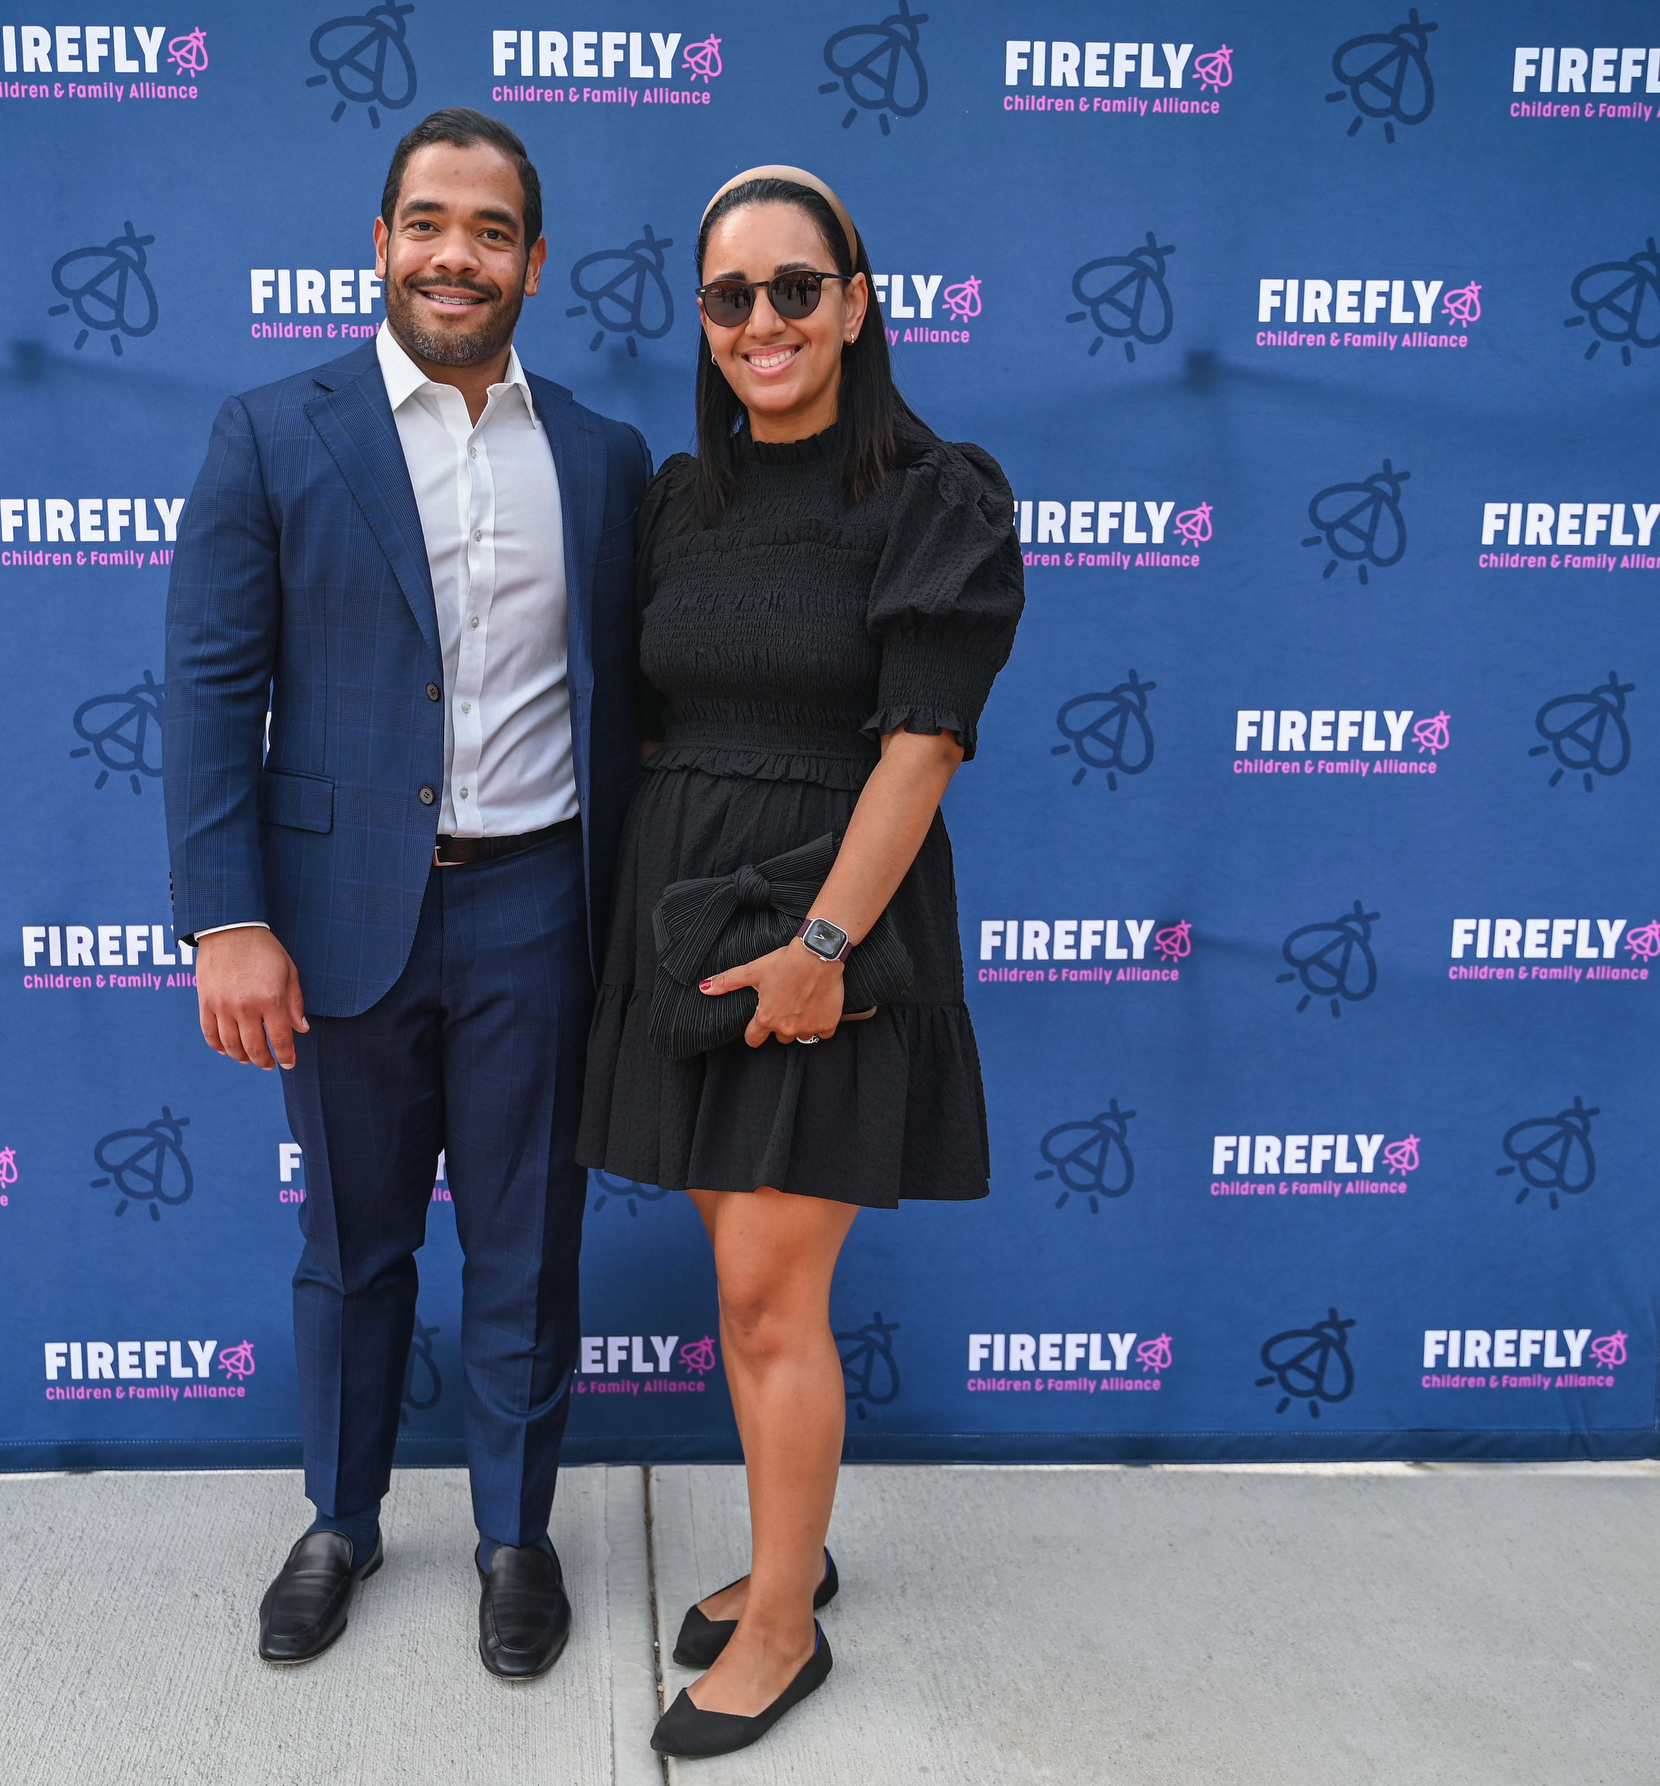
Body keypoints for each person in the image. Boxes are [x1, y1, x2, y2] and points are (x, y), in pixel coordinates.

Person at [163, 107, 652, 1678]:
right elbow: (209, 688)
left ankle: (516, 1536)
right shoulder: (271, 431)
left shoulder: (603, 456)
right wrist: (227, 915)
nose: (458, 254)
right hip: (334, 921)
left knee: (526, 1248)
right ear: (380, 243)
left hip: (540, 912)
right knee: (352, 1246)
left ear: (534, 262)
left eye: (491, 230)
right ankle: (341, 1519)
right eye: (428, 223)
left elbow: (633, 703)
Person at [578, 167, 1023, 1757]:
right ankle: (794, 1550)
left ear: (854, 301)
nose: (760, 320)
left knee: (771, 1293)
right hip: (691, 924)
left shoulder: (934, 494)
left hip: (833, 929)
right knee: (744, 1279)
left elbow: (924, 744)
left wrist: (823, 945)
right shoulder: (678, 502)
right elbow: (653, 719)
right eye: (729, 295)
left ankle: (782, 1627)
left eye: (793, 287)